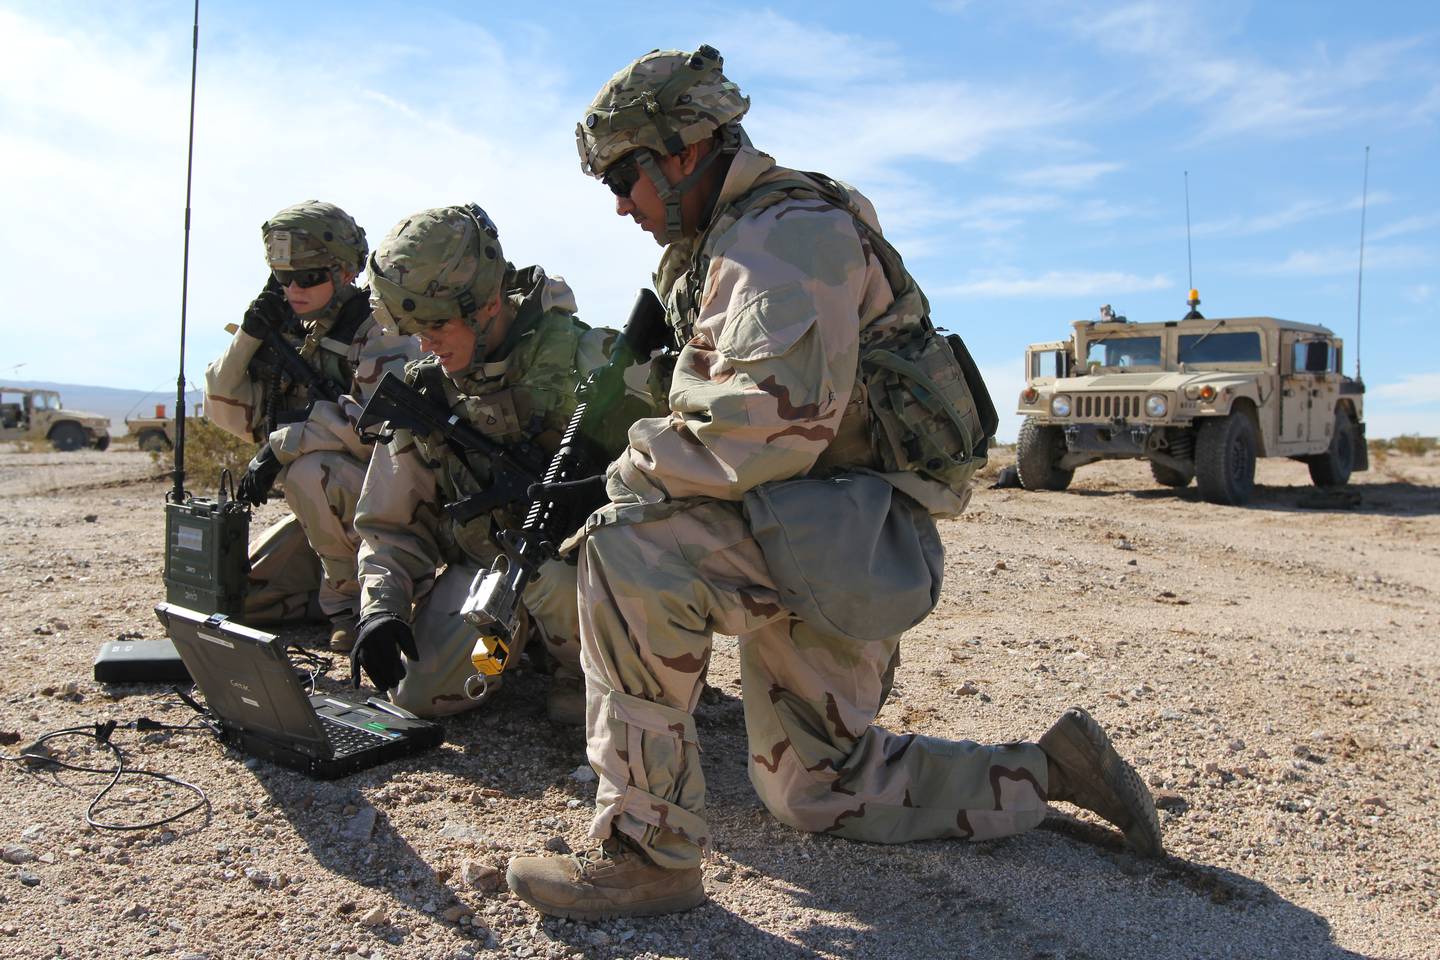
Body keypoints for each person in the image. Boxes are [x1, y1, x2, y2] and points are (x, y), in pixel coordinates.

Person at [506, 46, 1163, 920]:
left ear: (685, 151)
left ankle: (647, 855)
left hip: (850, 527)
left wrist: (618, 477)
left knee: (627, 549)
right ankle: (1050, 771)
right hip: (805, 515)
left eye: (626, 177)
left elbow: (763, 427)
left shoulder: (783, 236)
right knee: (816, 790)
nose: (622, 204)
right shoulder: (725, 242)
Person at [351, 204, 647, 721]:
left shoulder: (590, 360)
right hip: (491, 574)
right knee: (418, 694)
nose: (424, 343)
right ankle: (511, 650)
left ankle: (584, 669)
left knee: (553, 581)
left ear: (487, 304)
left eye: (436, 324)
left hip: (591, 573)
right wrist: (381, 608)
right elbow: (388, 525)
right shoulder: (427, 393)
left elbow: (680, 489)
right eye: (412, 327)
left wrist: (605, 494)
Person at [204, 200, 417, 650]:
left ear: (344, 273)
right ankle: (327, 584)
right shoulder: (295, 330)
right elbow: (225, 409)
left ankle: (350, 607)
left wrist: (285, 444)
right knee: (238, 601)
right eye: (282, 278)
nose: (293, 289)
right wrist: (250, 334)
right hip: (331, 509)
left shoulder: (381, 330)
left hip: (391, 503)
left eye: (308, 277)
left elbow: (378, 430)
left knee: (308, 471)